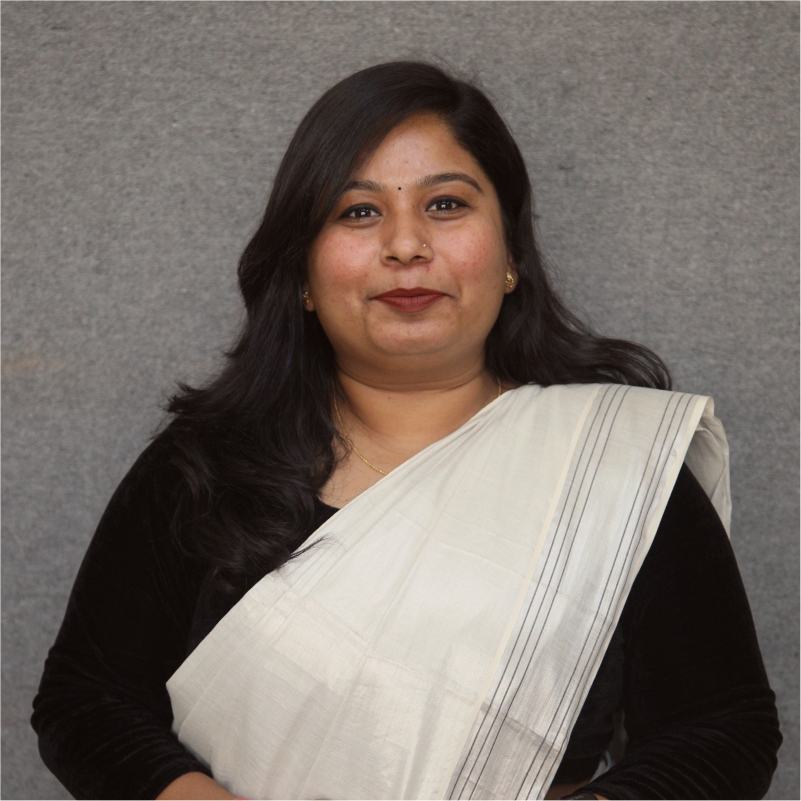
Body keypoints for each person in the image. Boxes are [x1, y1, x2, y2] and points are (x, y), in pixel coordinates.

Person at [32, 61, 781, 801]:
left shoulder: (612, 469)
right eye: (358, 212)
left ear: (512, 254)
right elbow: (87, 698)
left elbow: (721, 730)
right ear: (301, 273)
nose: (405, 245)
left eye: (446, 204)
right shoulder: (206, 466)